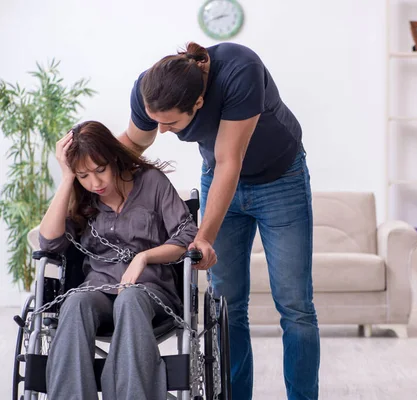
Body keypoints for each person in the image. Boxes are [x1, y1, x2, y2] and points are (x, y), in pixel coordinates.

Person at [118, 41, 320, 400]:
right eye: (157, 121)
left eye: (170, 123)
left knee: (294, 306)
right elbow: (133, 145)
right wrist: (85, 162)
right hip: (219, 176)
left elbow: (231, 160)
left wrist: (204, 236)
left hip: (281, 180)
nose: (162, 131)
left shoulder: (240, 69)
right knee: (227, 304)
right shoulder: (149, 87)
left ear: (198, 103)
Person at [39, 121, 198, 399]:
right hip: (98, 292)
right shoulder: (80, 194)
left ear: (113, 157)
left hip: (151, 293)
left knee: (130, 298)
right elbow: (49, 242)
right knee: (75, 301)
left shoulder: (151, 182)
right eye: (83, 175)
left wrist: (143, 257)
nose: (95, 183)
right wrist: (67, 178)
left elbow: (186, 236)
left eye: (100, 170)